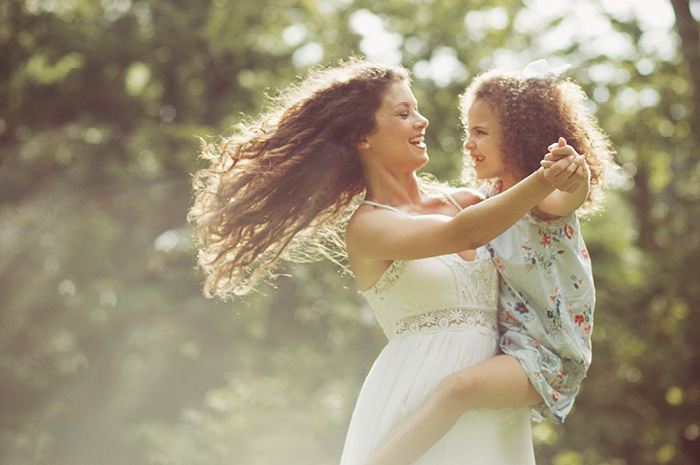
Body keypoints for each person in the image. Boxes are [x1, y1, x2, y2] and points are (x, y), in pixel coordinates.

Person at [188, 57, 583, 464]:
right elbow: (462, 235)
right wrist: (544, 177)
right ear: (363, 137)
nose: (422, 121)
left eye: (417, 109)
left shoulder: (470, 201)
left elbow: (551, 215)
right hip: (415, 406)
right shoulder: (369, 227)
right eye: (403, 112)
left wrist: (571, 178)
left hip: (488, 405)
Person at [362, 61, 615, 465]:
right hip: (511, 348)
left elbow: (566, 199)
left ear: (517, 139)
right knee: (454, 394)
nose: (468, 144)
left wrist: (570, 175)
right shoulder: (485, 200)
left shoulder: (538, 199)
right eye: (468, 132)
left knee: (455, 391)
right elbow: (466, 230)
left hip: (546, 353)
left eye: (480, 133)